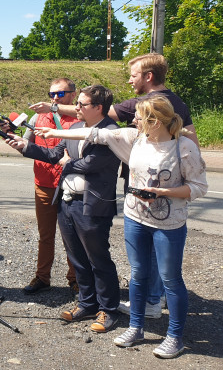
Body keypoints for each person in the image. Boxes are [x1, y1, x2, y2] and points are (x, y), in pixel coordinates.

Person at [35, 95, 207, 359]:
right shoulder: (135, 138)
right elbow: (93, 133)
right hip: (135, 219)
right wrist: (52, 130)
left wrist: (164, 191)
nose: (133, 120)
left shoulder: (182, 146)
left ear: (154, 121)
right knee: (138, 274)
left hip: (169, 224)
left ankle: (175, 337)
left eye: (138, 117)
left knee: (171, 280)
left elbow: (198, 187)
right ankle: (136, 328)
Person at [6, 85, 121, 333]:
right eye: (77, 103)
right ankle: (87, 303)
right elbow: (54, 153)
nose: (76, 108)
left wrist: (68, 163)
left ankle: (108, 310)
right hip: (67, 201)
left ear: (98, 108)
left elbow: (94, 163)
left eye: (82, 104)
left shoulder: (111, 132)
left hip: (92, 204)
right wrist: (24, 147)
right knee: (78, 258)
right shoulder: (74, 128)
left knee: (98, 259)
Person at [110, 53, 198, 319]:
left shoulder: (147, 104)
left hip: (154, 192)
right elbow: (192, 138)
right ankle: (152, 300)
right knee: (153, 254)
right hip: (159, 189)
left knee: (153, 255)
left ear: (148, 77)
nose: (129, 81)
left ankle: (151, 303)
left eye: (133, 75)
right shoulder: (177, 101)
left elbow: (104, 114)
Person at [20, 78, 79, 295]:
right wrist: (12, 138)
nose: (55, 98)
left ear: (73, 94)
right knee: (46, 235)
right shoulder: (38, 117)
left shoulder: (81, 118)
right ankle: (42, 277)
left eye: (60, 94)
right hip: (44, 183)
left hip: (70, 185)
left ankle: (76, 278)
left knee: (72, 236)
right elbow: (27, 144)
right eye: (52, 94)